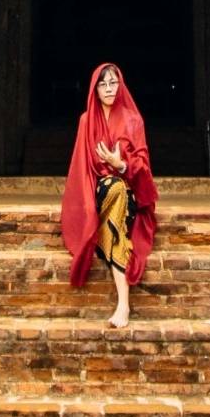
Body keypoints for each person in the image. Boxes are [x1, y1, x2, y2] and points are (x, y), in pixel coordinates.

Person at [60, 60, 157, 326]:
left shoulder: (133, 120)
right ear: (95, 89)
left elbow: (144, 167)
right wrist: (87, 206)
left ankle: (123, 306)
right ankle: (123, 306)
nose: (109, 88)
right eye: (102, 84)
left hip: (126, 191)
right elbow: (81, 166)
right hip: (96, 191)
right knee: (112, 189)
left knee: (118, 192)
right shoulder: (85, 120)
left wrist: (121, 164)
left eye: (113, 82)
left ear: (121, 84)